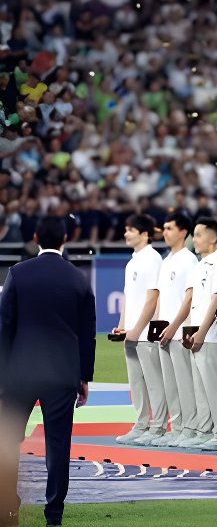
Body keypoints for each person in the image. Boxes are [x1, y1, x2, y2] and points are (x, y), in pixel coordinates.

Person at [0, 216, 96, 527]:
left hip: (19, 373)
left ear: (37, 236)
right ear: (65, 238)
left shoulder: (18, 272)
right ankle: (54, 514)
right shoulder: (78, 278)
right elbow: (88, 334)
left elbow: (4, 328)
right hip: (61, 372)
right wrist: (84, 377)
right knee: (58, 445)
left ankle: (7, 510)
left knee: (7, 441)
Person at [179, 218, 217, 450]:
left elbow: (216, 299)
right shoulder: (199, 265)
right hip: (198, 333)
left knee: (214, 385)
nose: (195, 239)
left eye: (200, 235)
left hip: (211, 335)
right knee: (200, 386)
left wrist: (202, 331)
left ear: (214, 238)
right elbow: (194, 303)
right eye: (194, 235)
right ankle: (204, 429)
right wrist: (191, 330)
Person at [113, 214, 165, 445]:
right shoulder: (132, 261)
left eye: (131, 229)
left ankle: (158, 426)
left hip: (145, 333)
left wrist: (139, 328)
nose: (126, 233)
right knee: (136, 381)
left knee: (153, 380)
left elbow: (152, 299)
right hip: (132, 332)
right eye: (126, 229)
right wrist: (123, 327)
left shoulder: (153, 259)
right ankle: (141, 423)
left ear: (144, 234)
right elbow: (127, 297)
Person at [152, 213, 199, 447]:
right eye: (164, 228)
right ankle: (177, 426)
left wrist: (174, 326)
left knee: (184, 382)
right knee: (170, 382)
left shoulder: (189, 260)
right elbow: (161, 296)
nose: (165, 232)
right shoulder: (166, 260)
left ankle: (190, 427)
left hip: (181, 329)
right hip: (165, 328)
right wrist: (159, 323)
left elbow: (189, 298)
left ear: (183, 232)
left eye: (170, 228)